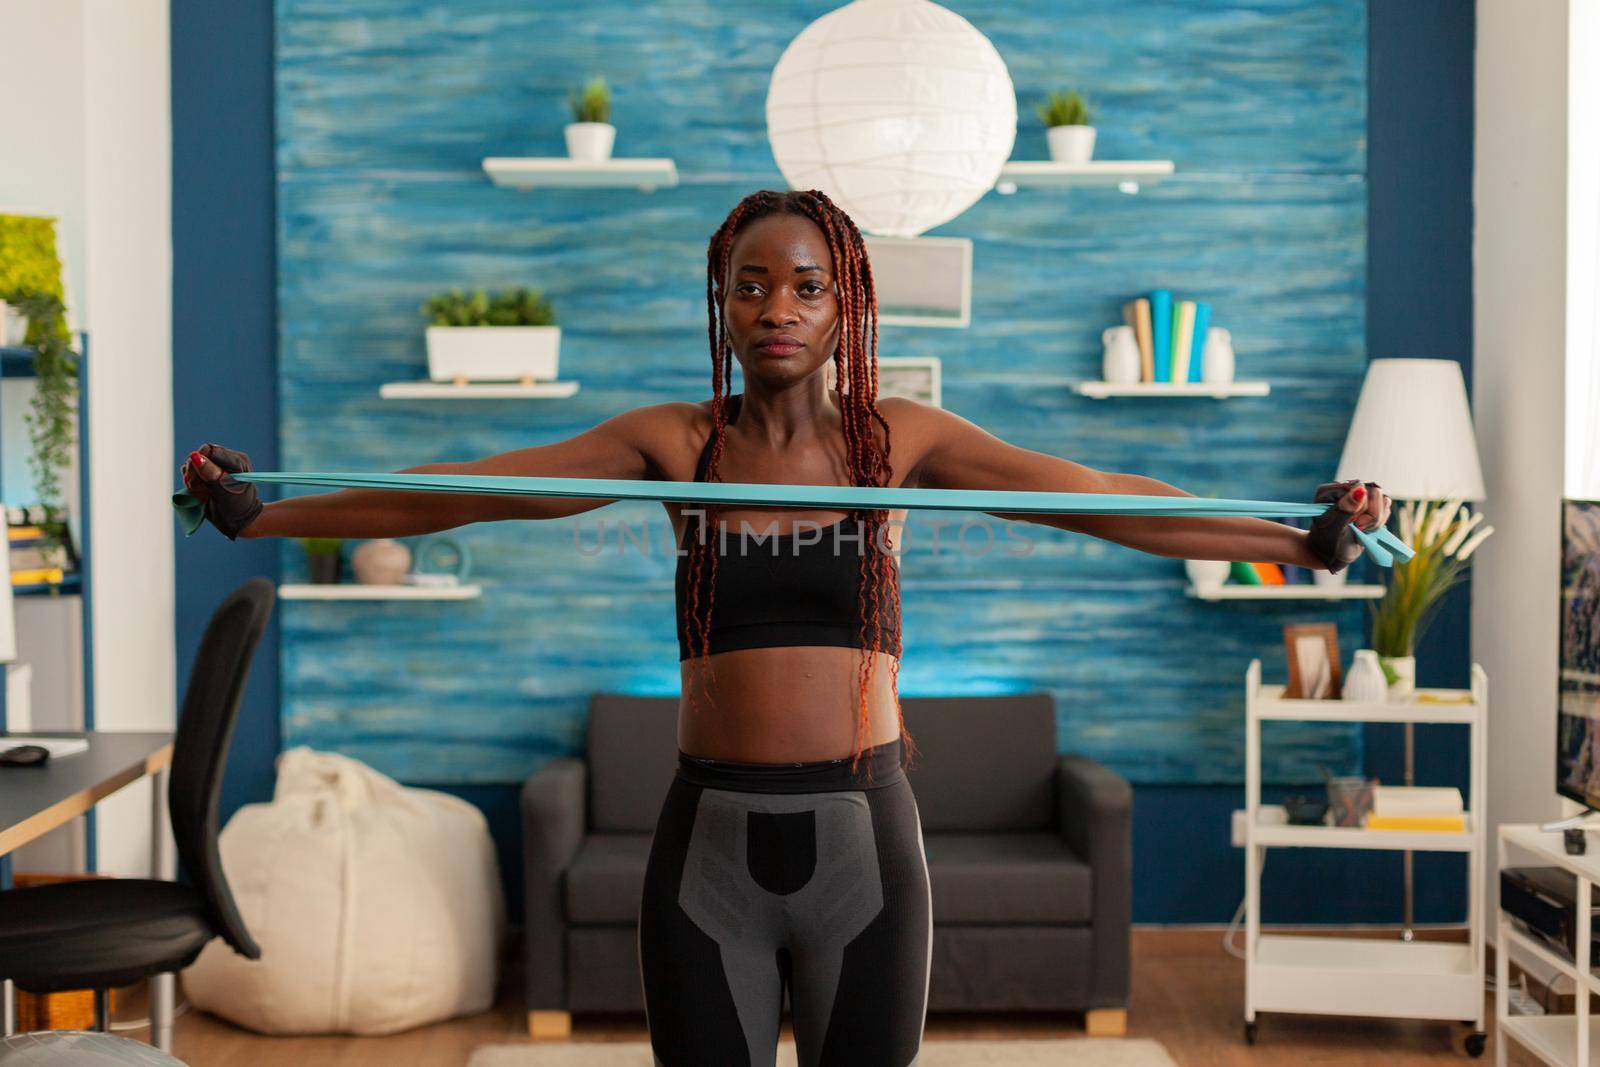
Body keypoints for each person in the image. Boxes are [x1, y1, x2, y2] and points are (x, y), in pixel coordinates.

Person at [182, 188, 1390, 1066]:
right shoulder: (676, 444)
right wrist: (260, 514)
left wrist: (1300, 543)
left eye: (806, 283)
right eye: (751, 282)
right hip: (704, 837)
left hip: (866, 833)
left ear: (846, 300)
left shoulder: (896, 441)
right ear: (722, 296)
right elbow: (461, 487)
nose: (777, 306)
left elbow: (1100, 500)